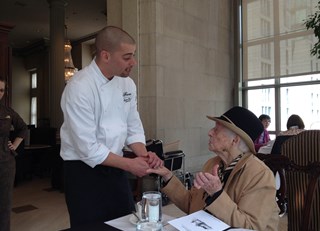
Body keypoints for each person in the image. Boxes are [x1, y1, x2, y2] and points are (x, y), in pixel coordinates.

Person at [60, 26, 163, 227]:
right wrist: (131, 164)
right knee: (90, 226)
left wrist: (143, 155)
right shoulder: (79, 87)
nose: (133, 62)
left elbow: (132, 126)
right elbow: (87, 148)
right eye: (127, 57)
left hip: (115, 169)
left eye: (133, 56)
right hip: (82, 172)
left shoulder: (128, 85)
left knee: (125, 222)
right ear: (105, 55)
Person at [148, 106, 279, 230]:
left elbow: (249, 227)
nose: (210, 133)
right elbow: (192, 205)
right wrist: (167, 175)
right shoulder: (213, 164)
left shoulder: (259, 175)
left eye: (216, 130)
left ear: (235, 140)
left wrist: (216, 194)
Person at [0, 77, 27, 231]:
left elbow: (23, 128)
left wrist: (14, 144)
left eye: (1, 90)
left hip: (5, 163)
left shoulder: (7, 111)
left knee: (4, 205)